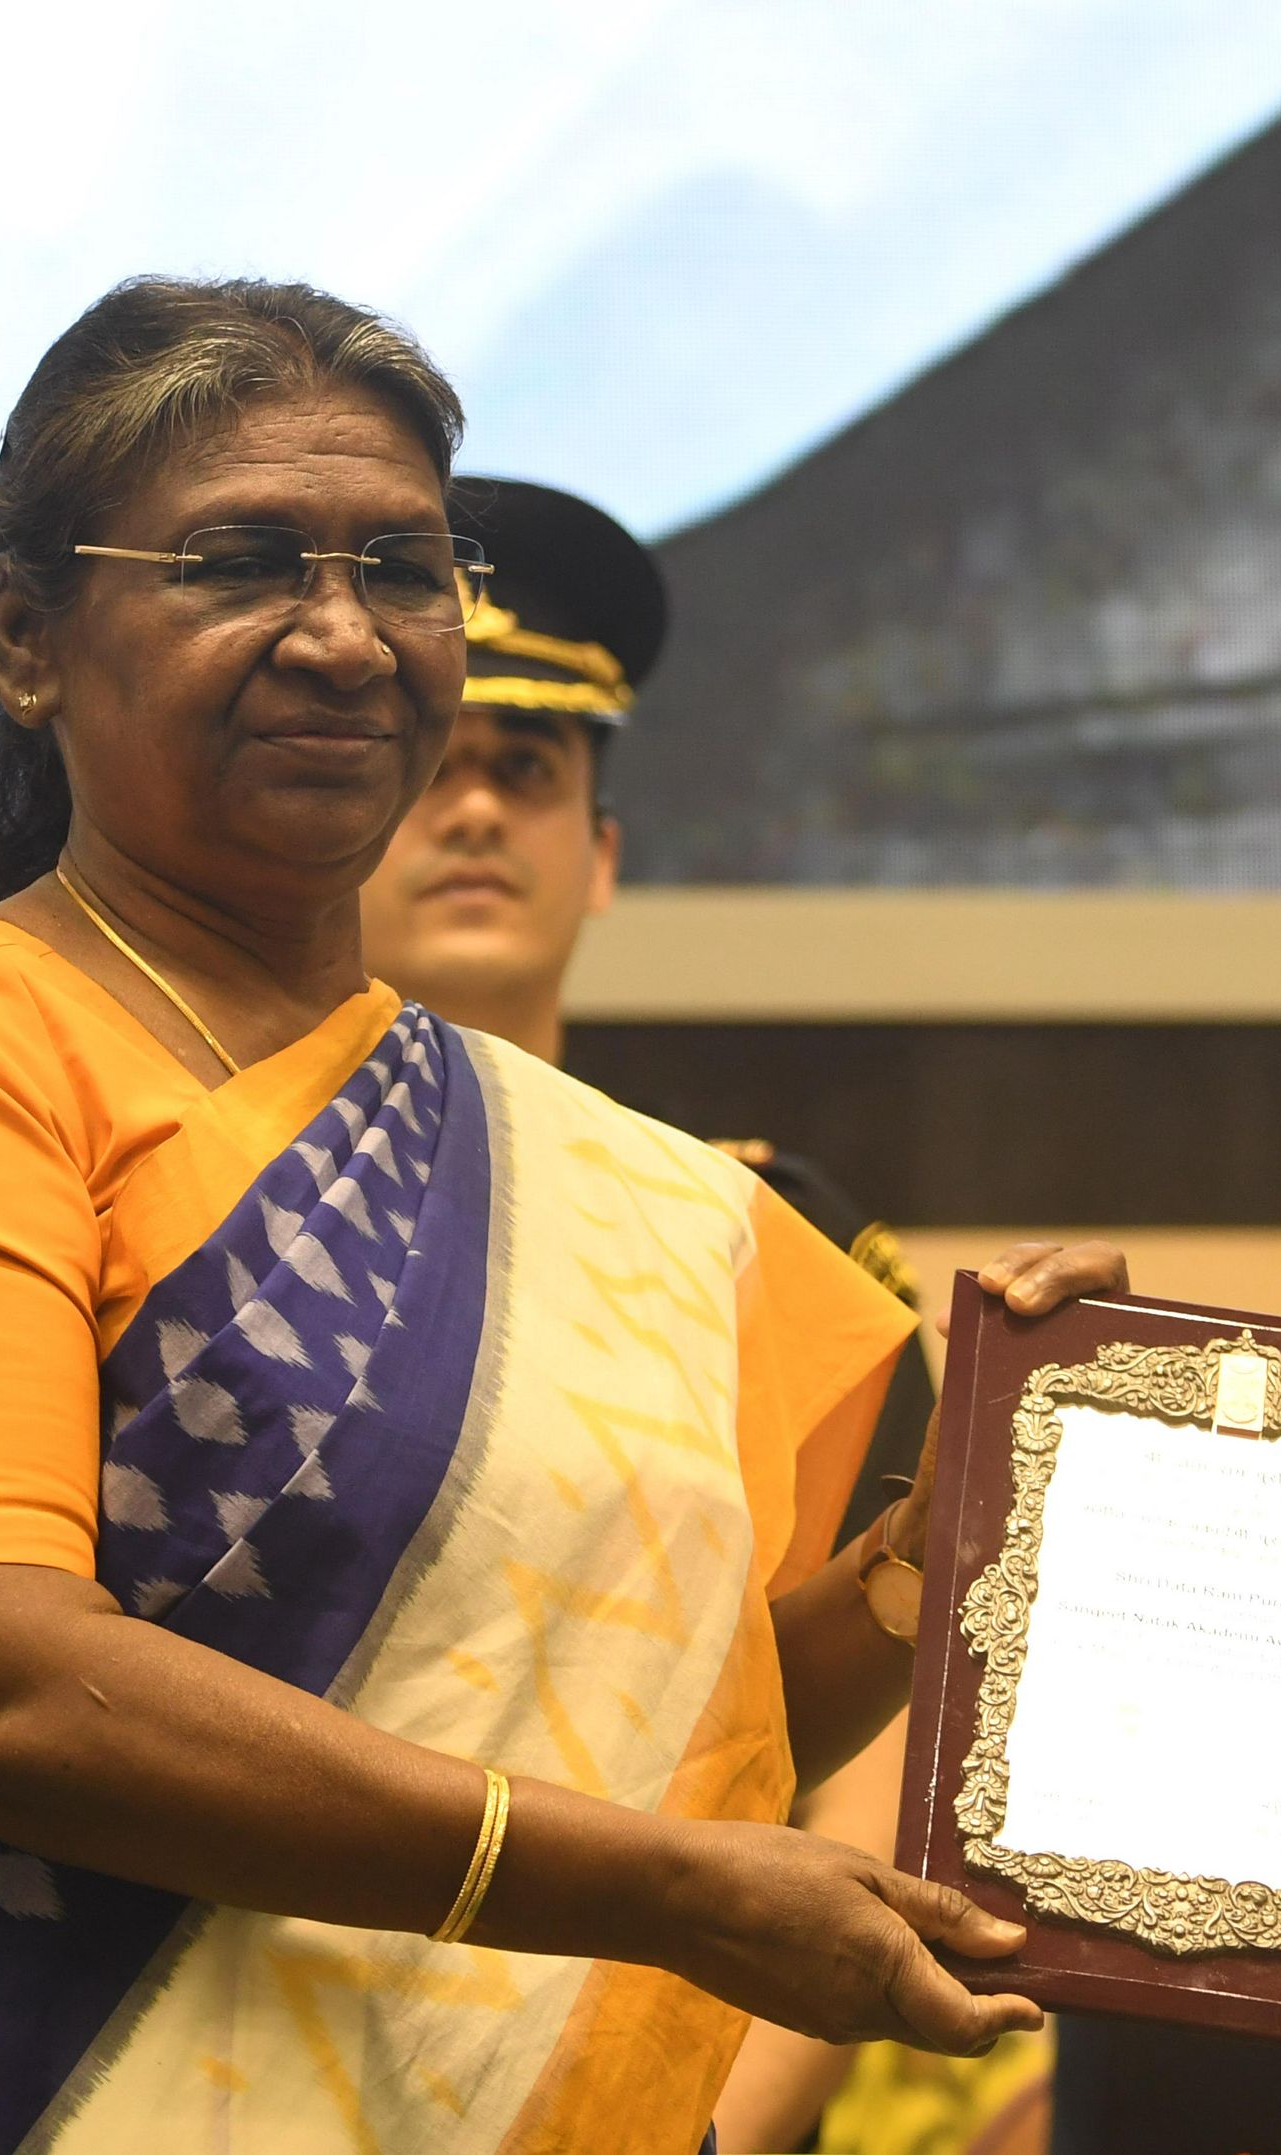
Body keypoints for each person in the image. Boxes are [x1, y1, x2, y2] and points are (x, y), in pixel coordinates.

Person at [0, 275, 1123, 2155]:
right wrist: (657, 1889)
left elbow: (694, 1719)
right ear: (27, 636)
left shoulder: (630, 1189)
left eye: (406, 570)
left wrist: (950, 1544)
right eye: (242, 562)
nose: (345, 634)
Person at [355, 475, 938, 1553]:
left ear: (603, 857)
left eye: (525, 768)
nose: (476, 810)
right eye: (429, 766)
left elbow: (874, 1612)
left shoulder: (763, 1234)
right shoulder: (218, 1188)